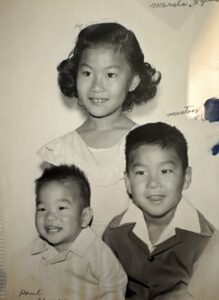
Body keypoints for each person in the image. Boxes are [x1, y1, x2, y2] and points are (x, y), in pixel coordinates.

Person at [38, 22, 161, 236]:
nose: (97, 86)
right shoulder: (59, 153)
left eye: (110, 75)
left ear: (133, 81)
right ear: (75, 76)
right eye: (87, 73)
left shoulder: (149, 144)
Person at [103, 122, 219, 300]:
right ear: (127, 182)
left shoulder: (208, 242)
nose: (153, 183)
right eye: (141, 172)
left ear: (186, 178)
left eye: (165, 171)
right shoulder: (114, 232)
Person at [6, 165, 127, 300]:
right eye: (42, 209)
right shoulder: (30, 255)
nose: (49, 217)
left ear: (85, 217)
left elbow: (114, 288)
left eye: (61, 208)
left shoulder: (98, 253)